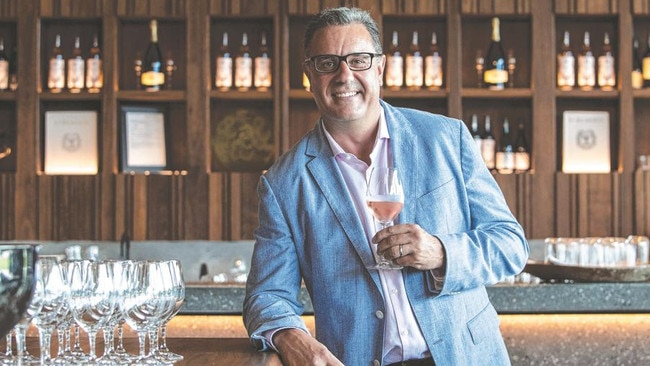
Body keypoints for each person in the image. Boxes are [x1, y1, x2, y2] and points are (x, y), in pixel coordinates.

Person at [243, 6, 529, 366]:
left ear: (379, 68)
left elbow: (510, 245)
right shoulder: (284, 182)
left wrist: (441, 253)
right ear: (310, 75)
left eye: (358, 60)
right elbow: (267, 294)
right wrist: (290, 336)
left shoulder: (445, 138)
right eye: (327, 62)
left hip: (465, 356)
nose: (344, 74)